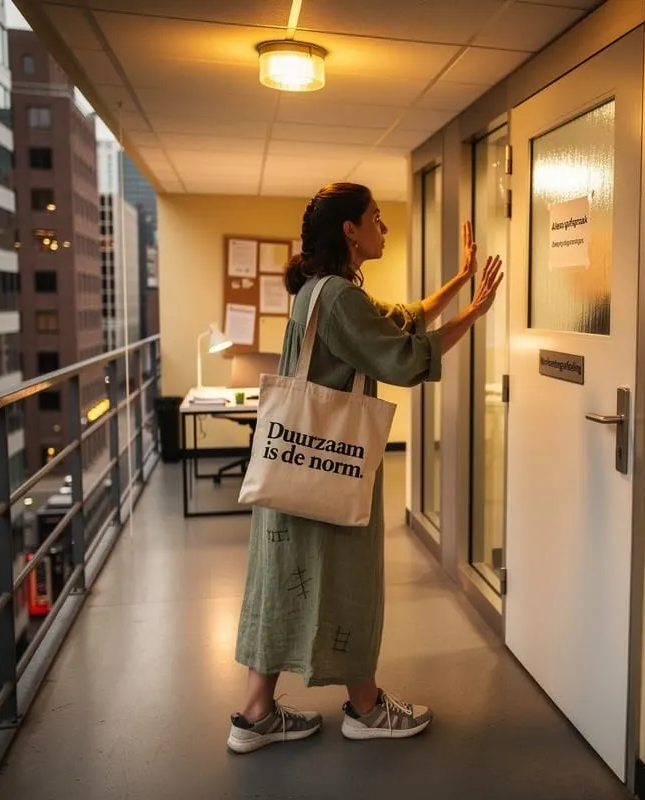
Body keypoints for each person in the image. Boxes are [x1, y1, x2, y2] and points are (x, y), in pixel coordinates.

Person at [227, 182, 503, 753]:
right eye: (376, 219)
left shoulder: (318, 291)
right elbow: (404, 355)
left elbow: (402, 318)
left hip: (295, 464)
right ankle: (367, 707)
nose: (385, 227)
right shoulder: (338, 297)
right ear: (350, 231)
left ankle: (255, 713)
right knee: (350, 576)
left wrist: (459, 280)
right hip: (334, 465)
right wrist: (474, 313)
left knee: (280, 579)